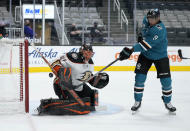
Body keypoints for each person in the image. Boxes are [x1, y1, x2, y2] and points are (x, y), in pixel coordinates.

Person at [119, 9, 176, 113]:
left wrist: (131, 50)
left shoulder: (160, 29)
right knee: (139, 78)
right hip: (145, 56)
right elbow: (143, 31)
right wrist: (141, 35)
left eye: (153, 18)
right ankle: (137, 101)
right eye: (149, 18)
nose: (151, 20)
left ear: (158, 18)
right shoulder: (146, 20)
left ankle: (168, 102)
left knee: (166, 81)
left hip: (160, 56)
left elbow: (146, 45)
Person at [37, 44, 109, 115]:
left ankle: (87, 106)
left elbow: (87, 77)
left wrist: (96, 80)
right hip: (62, 86)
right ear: (81, 52)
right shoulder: (72, 57)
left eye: (90, 53)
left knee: (93, 94)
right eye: (86, 53)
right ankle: (46, 105)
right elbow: (54, 62)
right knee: (73, 102)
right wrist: (60, 71)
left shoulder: (90, 63)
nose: (88, 55)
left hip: (78, 87)